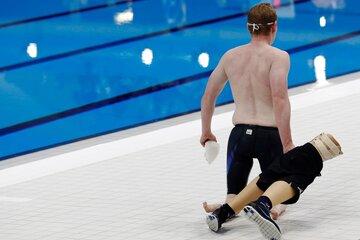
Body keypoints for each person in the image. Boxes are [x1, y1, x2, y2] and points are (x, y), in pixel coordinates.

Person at [200, 3, 292, 219]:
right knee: (282, 195)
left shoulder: (230, 56)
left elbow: (208, 96)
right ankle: (270, 208)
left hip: (239, 137)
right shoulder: (278, 56)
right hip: (269, 137)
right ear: (274, 27)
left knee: (234, 195)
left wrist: (206, 131)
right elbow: (279, 99)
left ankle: (229, 205)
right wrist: (287, 143)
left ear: (249, 28)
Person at [206, 133, 343, 240]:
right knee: (294, 180)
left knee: (267, 178)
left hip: (239, 134)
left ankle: (222, 213)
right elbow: (280, 102)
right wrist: (287, 141)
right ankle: (263, 205)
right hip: (276, 138)